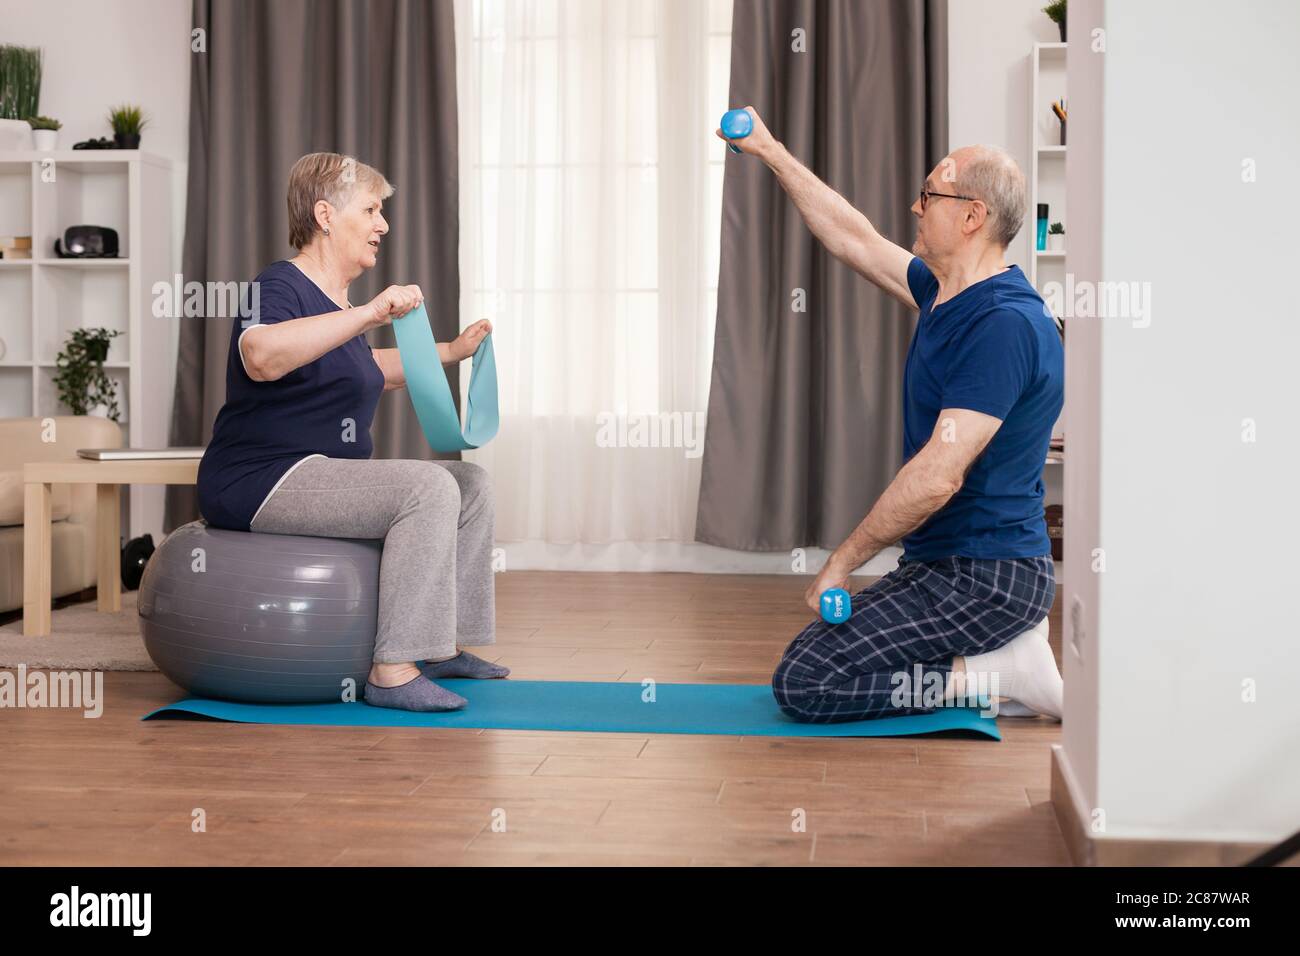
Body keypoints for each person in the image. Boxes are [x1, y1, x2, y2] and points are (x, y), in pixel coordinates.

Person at [717, 108, 1064, 722]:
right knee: (817, 664)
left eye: (929, 194)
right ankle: (1004, 662)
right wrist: (770, 151)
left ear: (971, 215)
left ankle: (1003, 670)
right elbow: (853, 235)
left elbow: (938, 476)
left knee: (807, 682)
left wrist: (841, 564)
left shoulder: (1004, 324)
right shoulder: (945, 291)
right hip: (944, 563)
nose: (914, 206)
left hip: (988, 575)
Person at [197, 152, 507, 713]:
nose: (382, 224)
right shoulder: (279, 284)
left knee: (469, 483)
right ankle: (392, 670)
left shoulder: (337, 305)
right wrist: (369, 313)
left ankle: (439, 648)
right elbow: (261, 356)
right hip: (260, 478)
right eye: (370, 209)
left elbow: (369, 371)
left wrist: (452, 352)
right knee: (426, 488)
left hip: (321, 473)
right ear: (325, 216)